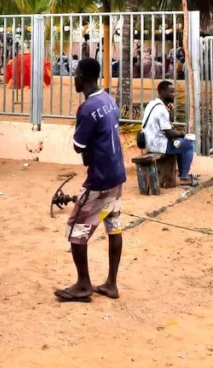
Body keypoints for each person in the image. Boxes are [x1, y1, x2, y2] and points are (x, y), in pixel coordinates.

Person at [55, 58, 125, 303]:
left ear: (82, 77)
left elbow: (78, 145)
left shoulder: (87, 108)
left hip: (100, 177)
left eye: (75, 74)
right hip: (116, 173)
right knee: (113, 226)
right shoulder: (109, 100)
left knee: (76, 229)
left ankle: (83, 285)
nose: (74, 78)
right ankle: (111, 283)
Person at [142, 80, 197, 186]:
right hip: (158, 145)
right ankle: (184, 177)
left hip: (149, 142)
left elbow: (164, 127)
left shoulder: (152, 104)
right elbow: (169, 133)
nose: (174, 94)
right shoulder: (161, 109)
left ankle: (183, 174)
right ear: (162, 91)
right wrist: (182, 134)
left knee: (181, 144)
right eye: (171, 92)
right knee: (189, 144)